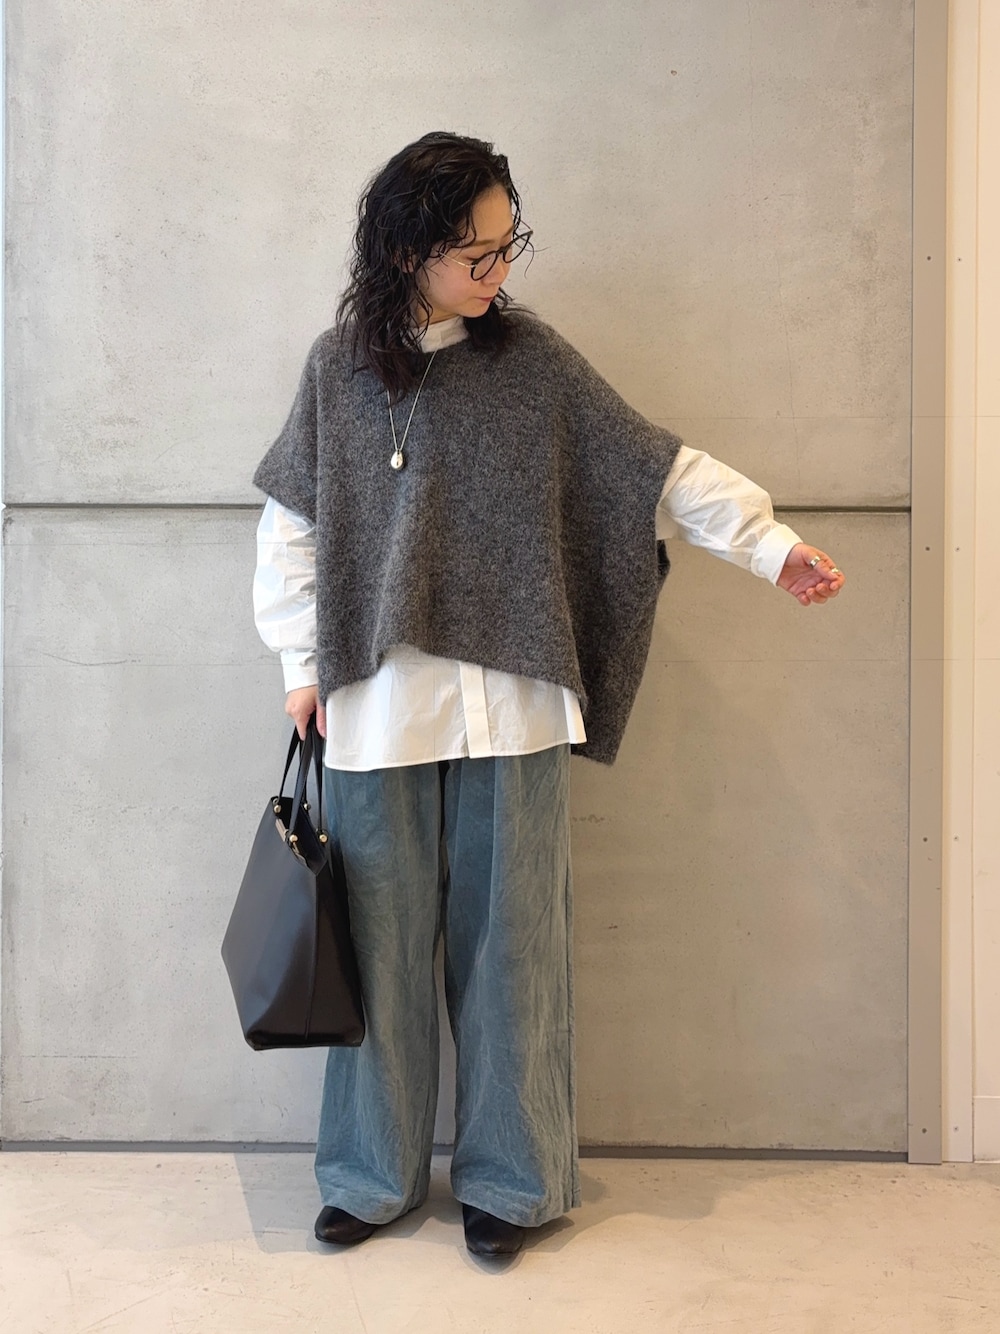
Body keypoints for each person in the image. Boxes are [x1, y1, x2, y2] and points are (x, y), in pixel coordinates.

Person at [252, 131, 845, 1260]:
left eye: (507, 244)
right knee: (375, 951)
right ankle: (370, 1176)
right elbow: (292, 522)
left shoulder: (532, 362)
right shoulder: (338, 370)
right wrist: (297, 665)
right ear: (408, 250)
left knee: (514, 952)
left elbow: (650, 466)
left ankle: (511, 1183)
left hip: (511, 702)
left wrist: (771, 547)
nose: (499, 271)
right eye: (476, 252)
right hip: (377, 703)